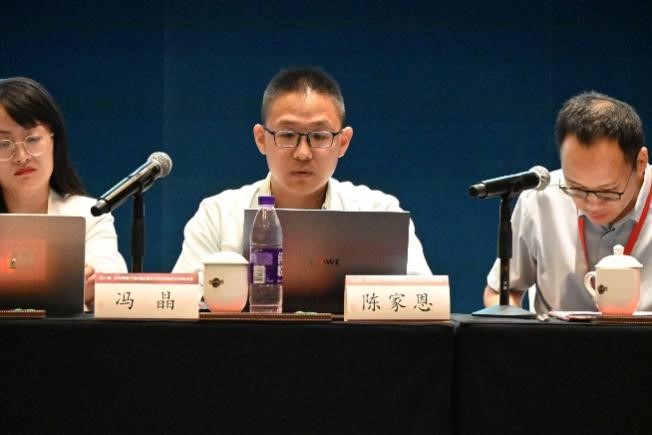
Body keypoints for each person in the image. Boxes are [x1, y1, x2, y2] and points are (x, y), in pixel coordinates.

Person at [173, 66, 431, 276]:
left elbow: (425, 300)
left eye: (319, 136)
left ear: (343, 142)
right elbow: (184, 306)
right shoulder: (218, 215)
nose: (303, 153)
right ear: (261, 139)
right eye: (287, 135)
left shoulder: (379, 213)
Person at [483, 91, 652, 314]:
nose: (592, 204)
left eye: (608, 191)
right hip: (554, 337)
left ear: (640, 162)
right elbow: (500, 292)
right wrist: (520, 326)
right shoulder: (541, 198)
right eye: (576, 188)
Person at [0, 77, 127, 307]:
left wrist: (93, 286)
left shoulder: (90, 215)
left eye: (32, 139)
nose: (21, 156)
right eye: (3, 144)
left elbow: (109, 279)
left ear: (53, 139)